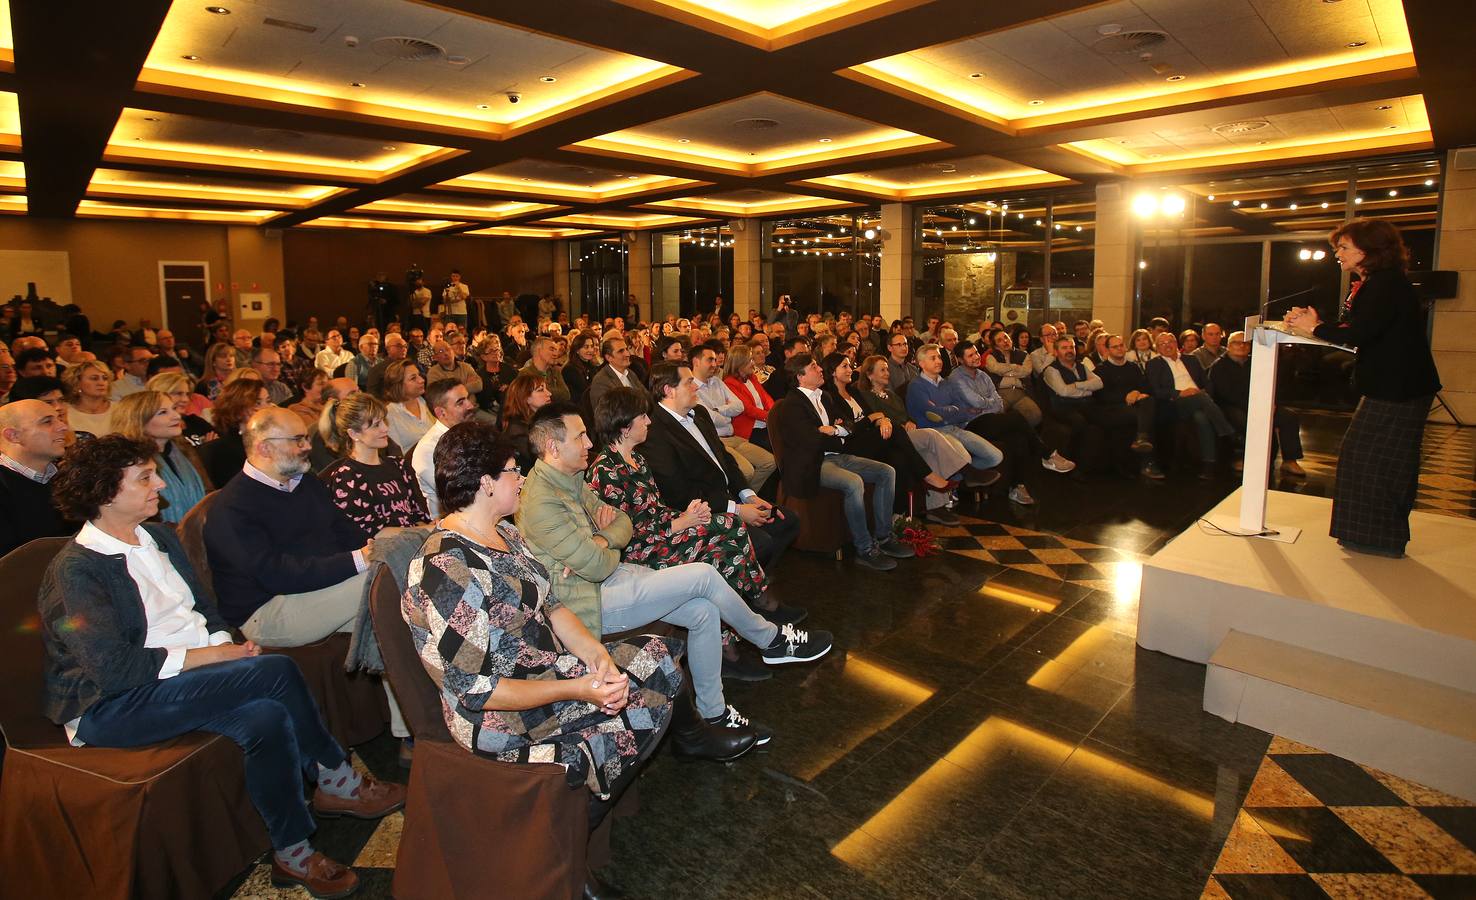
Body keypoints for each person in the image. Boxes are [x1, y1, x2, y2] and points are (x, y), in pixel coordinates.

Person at [39, 436, 403, 899]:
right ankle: (335, 775)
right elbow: (112, 669)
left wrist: (219, 644)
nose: (161, 486)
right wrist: (213, 657)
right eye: (145, 478)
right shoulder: (77, 569)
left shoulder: (160, 536)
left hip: (183, 679)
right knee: (274, 671)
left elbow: (204, 611)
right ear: (106, 494)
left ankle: (292, 854)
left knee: (266, 716)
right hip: (111, 704)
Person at [402, 421, 678, 861]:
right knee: (635, 694)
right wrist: (579, 687)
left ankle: (580, 784)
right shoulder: (447, 568)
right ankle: (568, 829)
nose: (523, 479)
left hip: (544, 671)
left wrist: (596, 655)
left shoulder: (506, 533)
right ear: (486, 483)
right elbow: (476, 691)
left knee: (658, 659)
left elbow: (553, 607)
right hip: (499, 716)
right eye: (515, 470)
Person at [516, 404, 831, 757]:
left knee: (702, 610)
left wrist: (603, 538)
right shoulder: (543, 499)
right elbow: (597, 565)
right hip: (588, 601)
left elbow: (621, 523)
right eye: (580, 436)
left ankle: (715, 715)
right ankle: (770, 640)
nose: (590, 442)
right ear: (554, 448)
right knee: (703, 574)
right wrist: (604, 543)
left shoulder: (569, 477)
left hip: (613, 575)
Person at [1284, 218, 1440, 557]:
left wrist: (1317, 328)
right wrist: (1316, 325)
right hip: (1396, 386)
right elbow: (1361, 327)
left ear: (1369, 251)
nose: (1337, 254)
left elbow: (1359, 334)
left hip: (1398, 388)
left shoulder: (1384, 284)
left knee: (1372, 460)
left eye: (1343, 248)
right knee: (1373, 459)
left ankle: (1375, 537)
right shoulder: (1380, 283)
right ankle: (1370, 535)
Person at [634, 368, 804, 620]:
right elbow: (678, 492)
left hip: (728, 498)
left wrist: (749, 496)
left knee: (787, 521)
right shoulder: (655, 429)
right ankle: (747, 599)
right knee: (762, 541)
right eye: (690, 382)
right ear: (669, 390)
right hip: (699, 510)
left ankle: (747, 587)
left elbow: (725, 459)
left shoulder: (699, 413)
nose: (697, 387)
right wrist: (735, 510)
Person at [588, 386, 773, 613]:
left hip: (662, 532)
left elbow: (656, 509)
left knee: (732, 525)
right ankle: (751, 608)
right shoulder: (606, 471)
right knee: (722, 548)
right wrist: (683, 522)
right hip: (642, 550)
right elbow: (626, 534)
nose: (648, 422)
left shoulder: (636, 457)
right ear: (625, 426)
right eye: (643, 417)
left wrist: (688, 514)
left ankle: (749, 606)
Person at [772, 353, 913, 571]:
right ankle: (865, 549)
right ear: (800, 376)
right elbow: (812, 441)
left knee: (887, 471)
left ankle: (884, 537)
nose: (820, 369)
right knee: (853, 482)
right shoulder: (791, 406)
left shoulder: (825, 397)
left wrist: (834, 430)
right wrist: (833, 434)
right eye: (813, 366)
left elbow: (849, 424)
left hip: (837, 455)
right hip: (812, 463)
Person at [821, 352, 957, 519]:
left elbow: (875, 414)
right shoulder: (829, 397)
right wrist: (874, 419)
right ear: (833, 372)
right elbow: (849, 429)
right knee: (898, 431)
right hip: (851, 445)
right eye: (845, 366)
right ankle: (927, 476)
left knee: (899, 459)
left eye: (849, 365)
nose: (850, 369)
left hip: (870, 439)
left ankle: (897, 516)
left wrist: (883, 420)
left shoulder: (854, 392)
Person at [319, 392, 429, 541]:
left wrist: (429, 529)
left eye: (384, 421)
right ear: (353, 433)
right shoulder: (346, 477)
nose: (385, 428)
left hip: (414, 542)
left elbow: (418, 515)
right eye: (376, 425)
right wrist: (425, 530)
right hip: (382, 554)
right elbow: (372, 533)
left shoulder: (399, 465)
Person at [1207, 331, 1305, 478]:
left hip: (1262, 404)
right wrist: (1258, 407)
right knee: (1247, 421)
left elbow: (1272, 384)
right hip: (1231, 406)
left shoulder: (1258, 362)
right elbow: (1226, 394)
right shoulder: (1219, 366)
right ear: (1228, 346)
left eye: (1245, 343)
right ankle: (1245, 458)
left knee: (1289, 417)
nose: (1241, 346)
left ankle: (1290, 460)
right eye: (1236, 343)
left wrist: (1271, 403)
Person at [109, 391, 212, 524]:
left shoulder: (183, 449)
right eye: (163, 412)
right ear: (138, 421)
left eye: (174, 409)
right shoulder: (129, 462)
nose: (176, 416)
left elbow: (207, 490)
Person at [690, 341, 774, 494]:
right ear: (696, 362)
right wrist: (726, 413)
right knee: (746, 472)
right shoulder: (691, 387)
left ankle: (747, 499)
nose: (715, 364)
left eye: (715, 360)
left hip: (734, 436)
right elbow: (709, 417)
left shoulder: (717, 382)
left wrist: (718, 410)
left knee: (770, 462)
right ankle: (739, 502)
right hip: (717, 440)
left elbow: (739, 406)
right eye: (710, 360)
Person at [0, 398, 72, 554]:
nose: (63, 427)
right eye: (47, 422)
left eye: (59, 419)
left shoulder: (69, 479)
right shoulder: (4, 487)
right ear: (13, 435)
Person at [1094, 335, 1164, 480]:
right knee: (1143, 416)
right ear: (1107, 350)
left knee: (1149, 402)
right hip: (1112, 408)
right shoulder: (1101, 370)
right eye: (1115, 346)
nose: (1119, 349)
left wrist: (1137, 392)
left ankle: (1141, 438)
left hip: (1137, 406)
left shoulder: (1133, 367)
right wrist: (1125, 397)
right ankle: (1147, 462)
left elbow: (1146, 387)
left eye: (1121, 345)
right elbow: (1101, 396)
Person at [410, 378, 477, 519]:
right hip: (453, 521)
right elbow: (459, 494)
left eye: (468, 398)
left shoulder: (473, 431)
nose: (470, 405)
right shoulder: (428, 449)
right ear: (441, 413)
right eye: (461, 403)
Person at [197, 378, 271, 487]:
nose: (267, 408)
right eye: (257, 403)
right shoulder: (221, 451)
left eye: (268, 401)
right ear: (237, 409)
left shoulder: (275, 441)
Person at [982, 328, 1043, 427]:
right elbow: (996, 368)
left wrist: (1005, 372)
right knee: (994, 415)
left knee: (1035, 415)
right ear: (995, 345)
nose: (1005, 341)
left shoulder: (1023, 355)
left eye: (1006, 337)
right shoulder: (991, 356)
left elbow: (1026, 371)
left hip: (1020, 392)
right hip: (1000, 393)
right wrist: (1015, 367)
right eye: (1000, 340)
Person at [722, 343, 776, 451]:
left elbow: (766, 398)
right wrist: (771, 416)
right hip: (750, 430)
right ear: (739, 363)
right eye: (750, 360)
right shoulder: (729, 383)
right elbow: (747, 409)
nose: (753, 363)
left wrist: (775, 412)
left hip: (765, 424)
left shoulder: (752, 377)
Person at [500, 373, 553, 472]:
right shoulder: (517, 431)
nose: (549, 393)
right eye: (541, 390)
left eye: (546, 389)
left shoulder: (537, 421)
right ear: (526, 398)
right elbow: (544, 461)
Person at [383, 360, 434, 452]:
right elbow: (397, 454)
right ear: (398, 385)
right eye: (413, 378)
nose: (422, 380)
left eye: (419, 375)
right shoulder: (389, 414)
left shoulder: (426, 403)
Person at [63, 359, 116, 437]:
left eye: (105, 378)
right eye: (94, 378)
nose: (101, 383)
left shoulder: (120, 410)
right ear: (77, 383)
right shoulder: (65, 412)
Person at [562, 331, 601, 401]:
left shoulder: (592, 366)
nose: (590, 350)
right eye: (586, 347)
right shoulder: (570, 369)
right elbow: (586, 390)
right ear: (577, 350)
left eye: (592, 346)